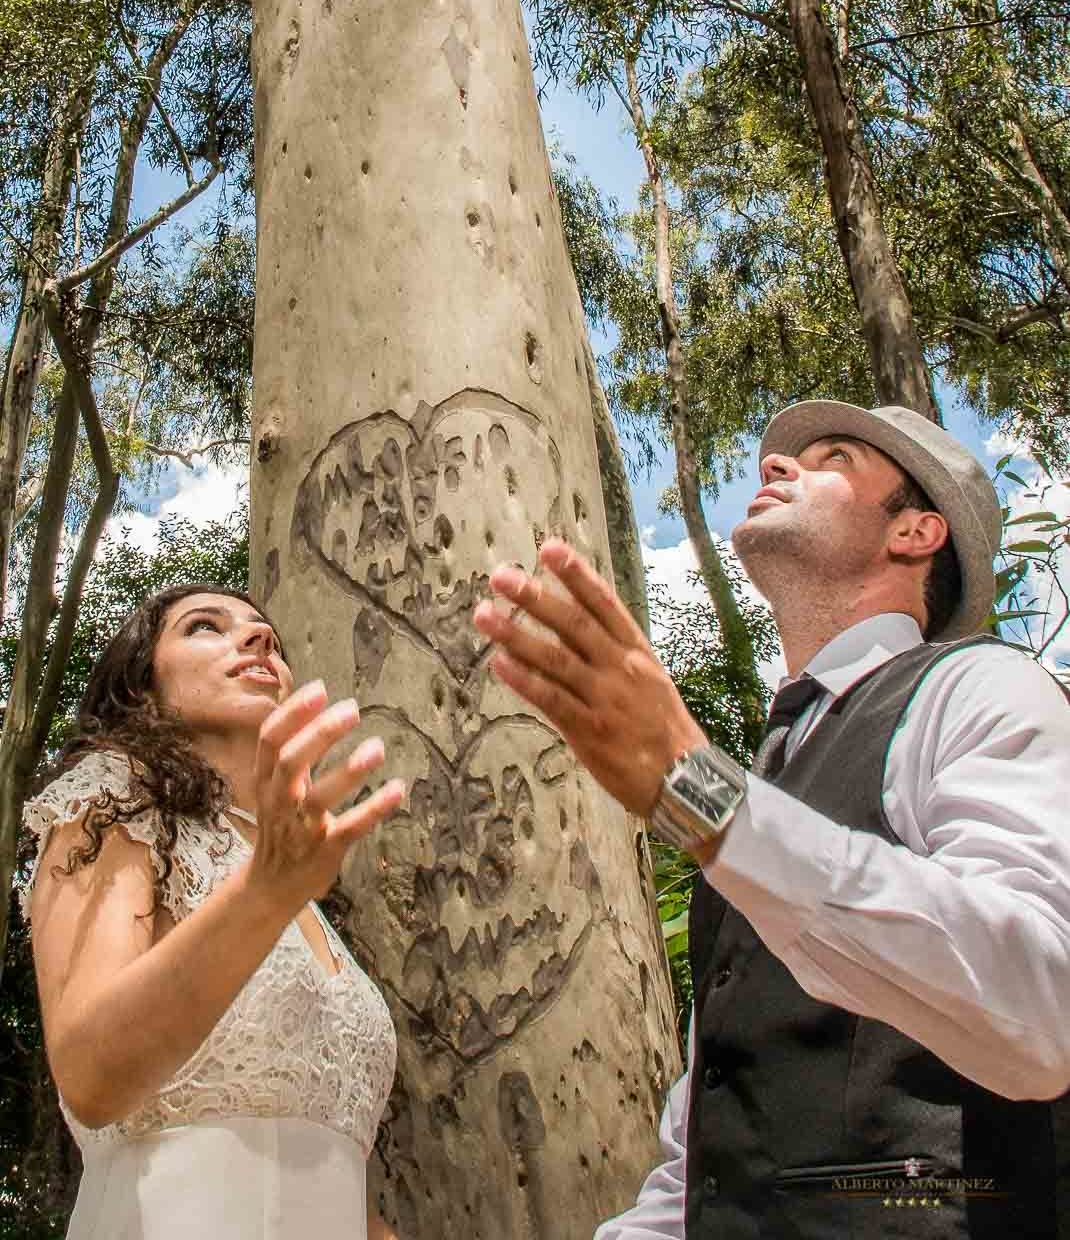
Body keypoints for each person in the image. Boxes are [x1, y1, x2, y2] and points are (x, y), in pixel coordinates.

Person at [474, 402, 1070, 1236]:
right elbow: (702, 1157)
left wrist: (705, 798)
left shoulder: (984, 690)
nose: (775, 464)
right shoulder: (768, 775)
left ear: (915, 532)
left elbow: (1044, 1006)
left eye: (835, 458)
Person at [22, 581, 407, 1240]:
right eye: (205, 626)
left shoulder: (297, 880)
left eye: (269, 638)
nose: (259, 639)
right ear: (143, 684)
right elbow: (90, 1078)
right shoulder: (112, 803)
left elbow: (322, 1164)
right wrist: (266, 893)